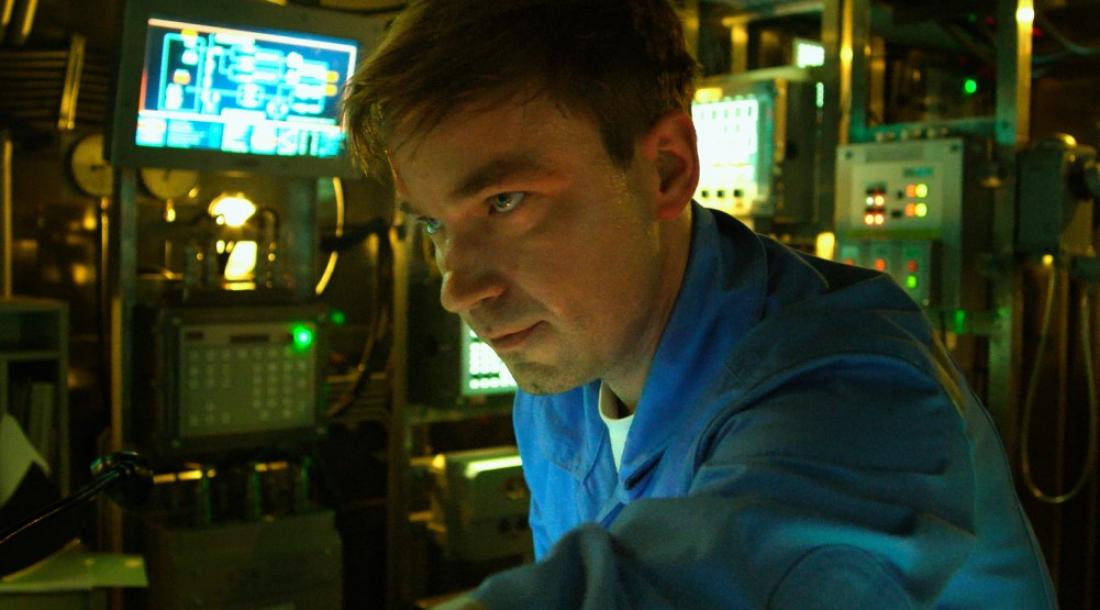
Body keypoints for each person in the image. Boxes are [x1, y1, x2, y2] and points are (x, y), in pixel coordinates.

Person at [342, 1, 1057, 607]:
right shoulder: (560, 388)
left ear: (665, 169)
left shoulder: (854, 389)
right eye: (433, 225)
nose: (457, 288)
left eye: (504, 201)